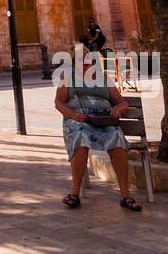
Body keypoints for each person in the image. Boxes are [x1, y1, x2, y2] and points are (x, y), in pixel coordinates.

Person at [55, 65, 142, 211]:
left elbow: (122, 102)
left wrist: (116, 109)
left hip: (103, 120)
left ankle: (126, 195)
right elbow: (58, 102)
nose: (86, 64)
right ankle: (74, 192)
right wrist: (73, 115)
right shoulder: (67, 77)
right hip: (79, 120)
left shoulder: (103, 78)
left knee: (117, 137)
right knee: (80, 136)